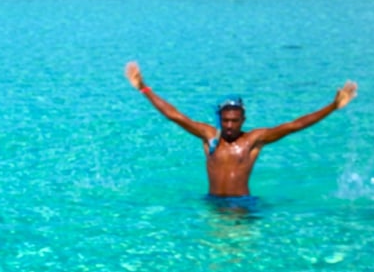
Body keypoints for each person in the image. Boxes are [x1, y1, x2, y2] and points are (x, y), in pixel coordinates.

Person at [124, 61, 358, 198]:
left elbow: (294, 125)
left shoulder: (253, 140)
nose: (229, 125)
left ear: (243, 119)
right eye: (225, 120)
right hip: (213, 203)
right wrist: (144, 88)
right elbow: (174, 115)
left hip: (243, 205)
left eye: (234, 121)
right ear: (220, 119)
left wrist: (333, 106)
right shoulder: (209, 136)